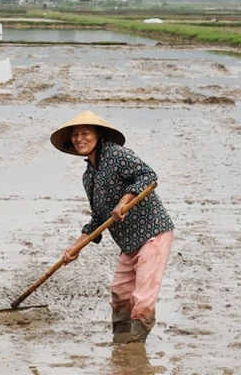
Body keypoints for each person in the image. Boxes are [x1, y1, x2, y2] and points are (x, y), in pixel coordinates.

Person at [51, 110, 175, 345]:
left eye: (85, 133)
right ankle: (120, 342)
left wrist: (124, 200)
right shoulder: (89, 176)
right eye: (75, 135)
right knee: (120, 292)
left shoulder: (117, 155)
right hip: (128, 242)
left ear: (99, 135)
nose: (80, 139)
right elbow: (98, 218)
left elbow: (148, 176)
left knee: (143, 297)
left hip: (152, 232)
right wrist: (75, 247)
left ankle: (134, 350)